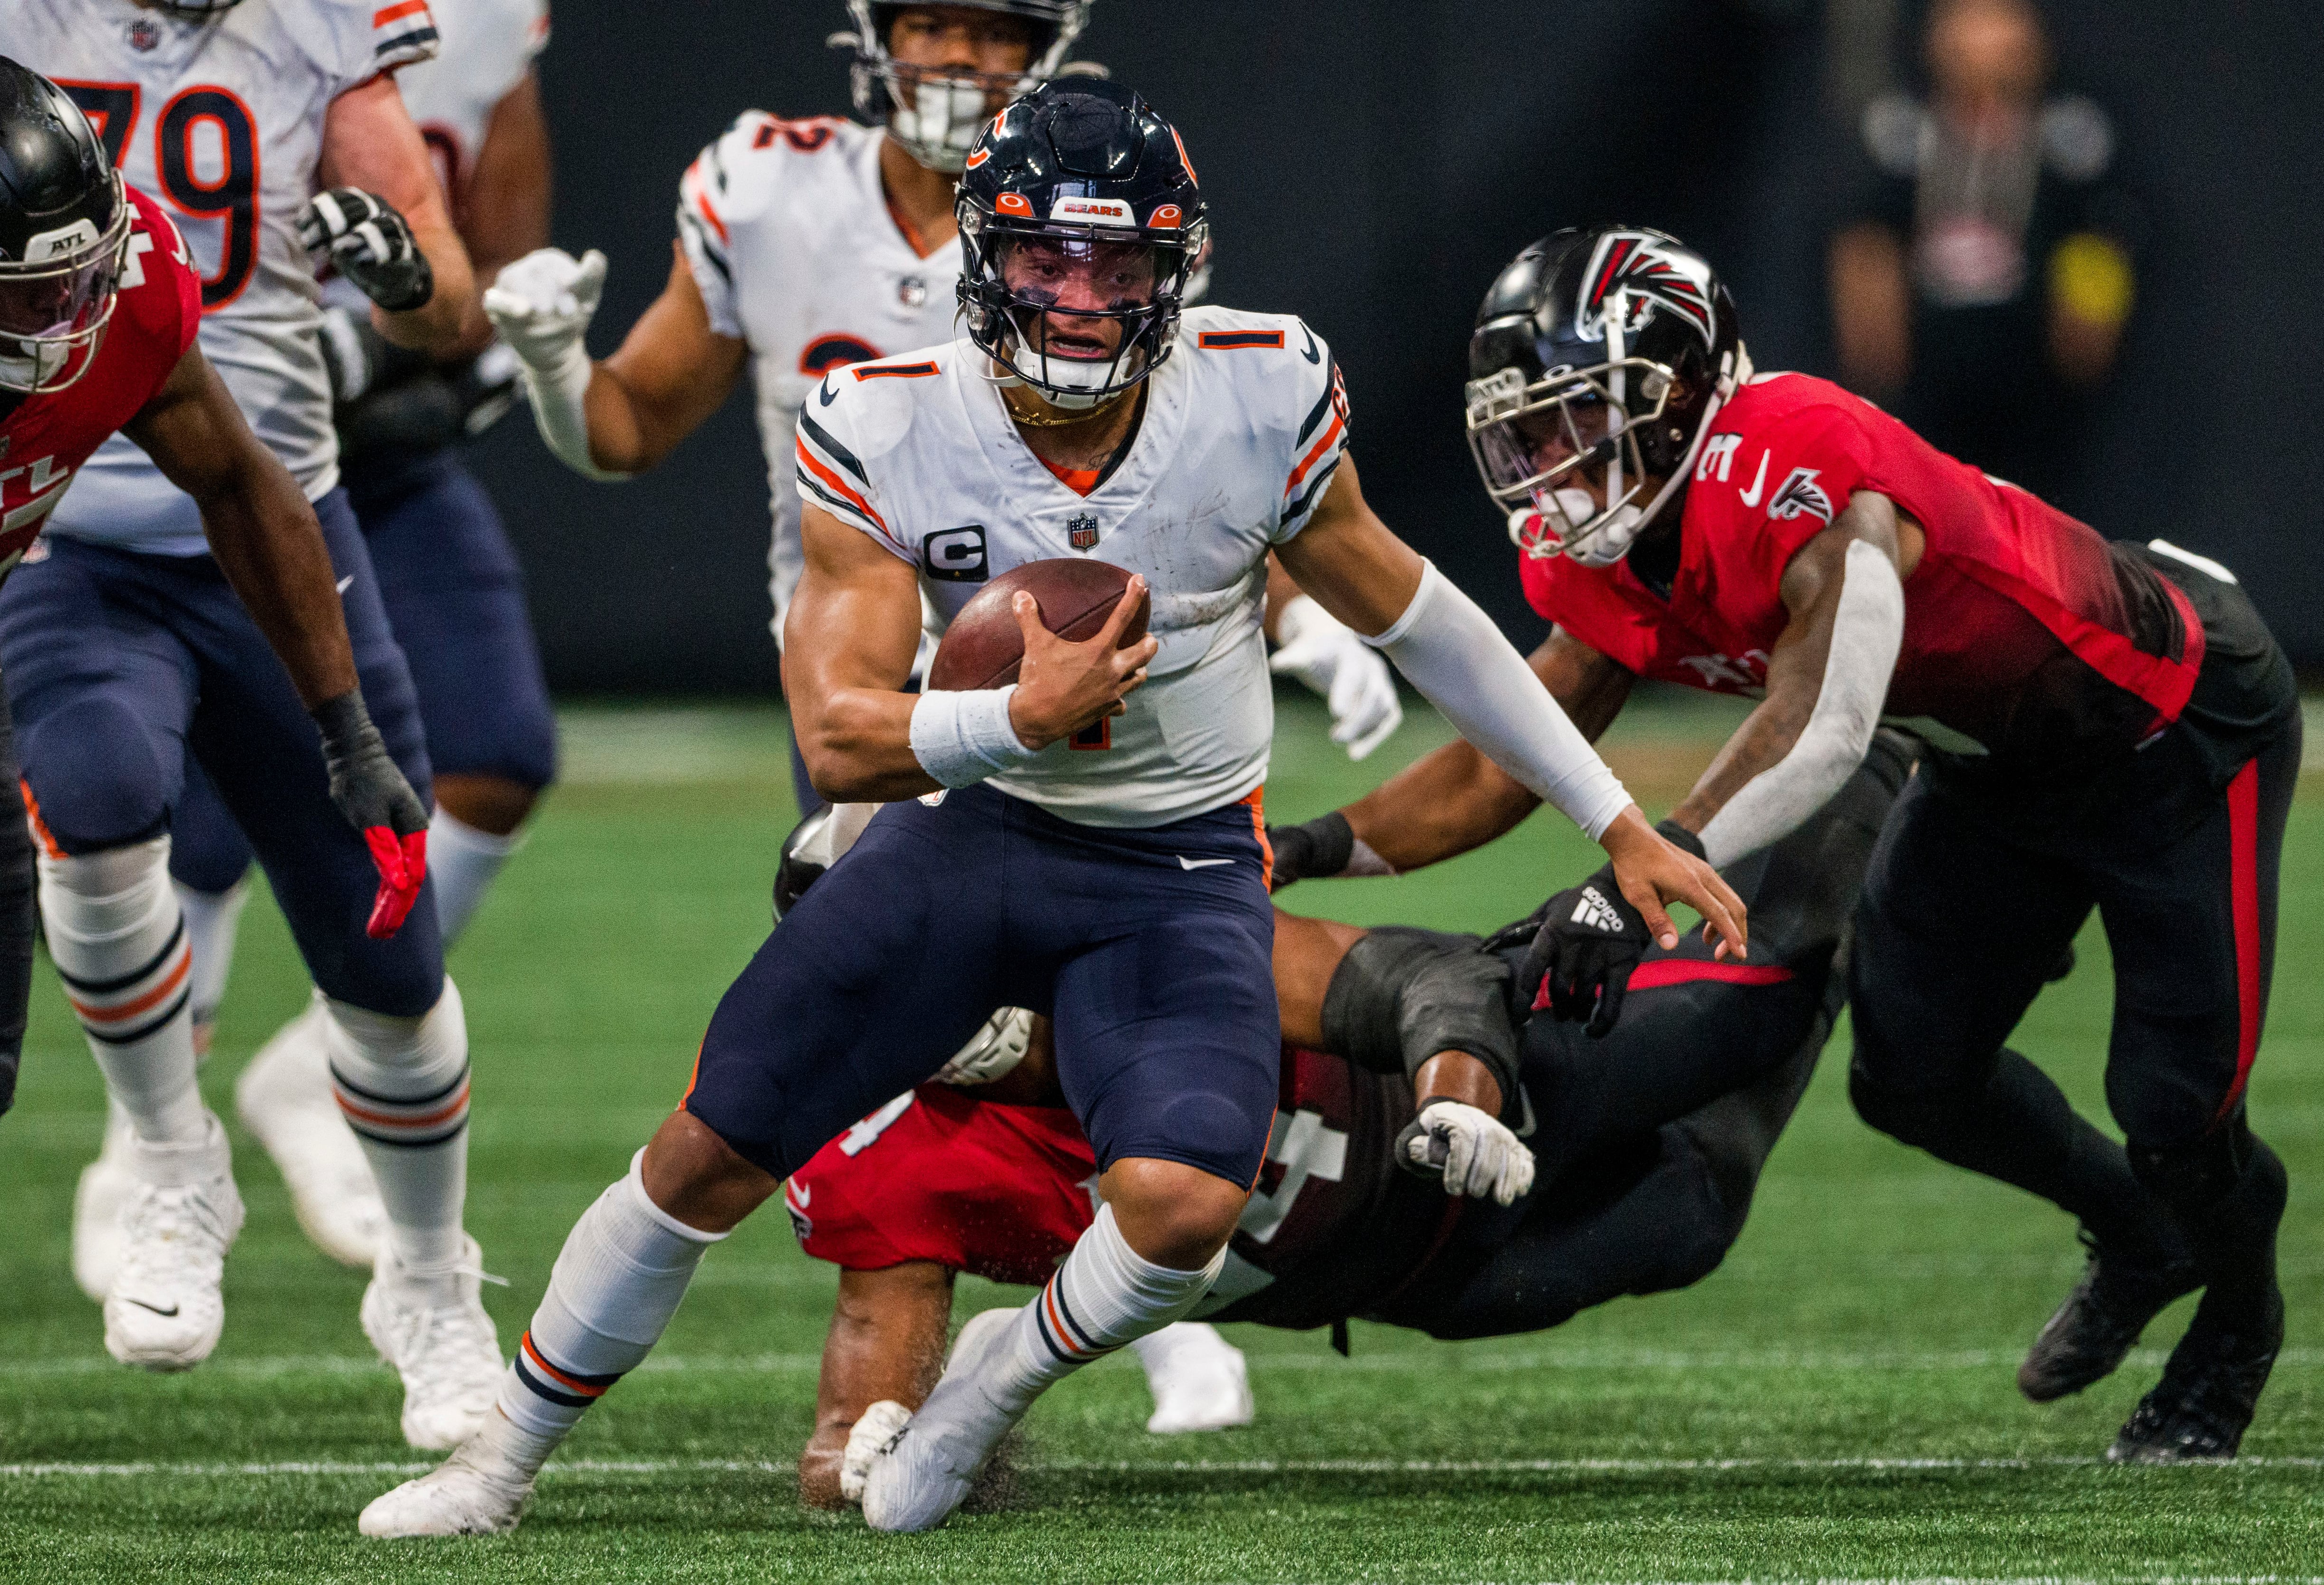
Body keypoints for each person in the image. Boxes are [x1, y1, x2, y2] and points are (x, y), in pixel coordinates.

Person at [357, 80, 1743, 1540]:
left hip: (1179, 863)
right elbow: (837, 735)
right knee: (702, 1149)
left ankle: (976, 1398)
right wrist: (1009, 718)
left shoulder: (1259, 388)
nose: (1080, 297)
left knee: (1184, 1202)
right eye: (1043, 259)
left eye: (1120, 264)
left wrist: (1611, 814)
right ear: (984, 254)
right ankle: (495, 1462)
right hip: (979, 836)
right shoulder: (886, 418)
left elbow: (1430, 621)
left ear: (1172, 268)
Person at [1272, 225, 2299, 1462]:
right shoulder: (1611, 550)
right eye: (1528, 432)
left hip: (2175, 733)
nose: (1550, 465)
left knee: (2177, 1107)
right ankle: (2141, 1230)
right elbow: (1512, 754)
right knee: (1911, 1076)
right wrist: (1306, 843)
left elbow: (1827, 716)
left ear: (1680, 388)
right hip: (1993, 767)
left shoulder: (1801, 455)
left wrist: (1629, 876)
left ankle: (2239, 1319)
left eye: (1574, 419)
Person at [781, 731, 1912, 1508]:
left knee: (1738, 1019)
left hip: (1488, 1086)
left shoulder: (1127, 934)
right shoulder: (889, 1159)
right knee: (1693, 1218)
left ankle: (1871, 762)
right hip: (1400, 1279)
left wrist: (1456, 1095)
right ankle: (1879, 924)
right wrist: (879, 1454)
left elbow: (1429, 978)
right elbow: (842, 1438)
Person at [0, 0, 510, 1449]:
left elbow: (443, 302)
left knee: (385, 944)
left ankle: (426, 1280)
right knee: (90, 796)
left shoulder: (321, 25)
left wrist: (405, 285)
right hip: (60, 531)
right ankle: (166, 1159)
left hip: (269, 515)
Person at [479, 0, 1400, 815]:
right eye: (931, 24)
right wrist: (556, 367)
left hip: (1072, 664)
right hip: (869, 676)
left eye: (998, 31)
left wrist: (1300, 612)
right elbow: (628, 430)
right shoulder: (771, 193)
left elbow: (1174, 481)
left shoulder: (1109, 227)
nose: (962, 58)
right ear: (878, 33)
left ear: (1049, 49)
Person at [0, 56, 418, 1198]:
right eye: (27, 293)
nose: (68, 316)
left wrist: (344, 724)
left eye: (80, 276)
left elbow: (243, 485)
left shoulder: (132, 296)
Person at [163, 0, 559, 1276]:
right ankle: (150, 1153)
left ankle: (309, 1065)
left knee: (496, 750)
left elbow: (493, 261)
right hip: (196, 441)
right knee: (207, 807)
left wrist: (428, 328)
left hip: (374, 463)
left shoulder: (482, 22)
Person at [1827, 0, 2138, 504]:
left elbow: (2104, 233)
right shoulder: (1896, 133)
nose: (1983, 37)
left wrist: (2085, 332)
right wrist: (1871, 343)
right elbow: (1864, 242)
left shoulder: (2075, 136)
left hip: (2035, 387)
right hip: (1926, 386)